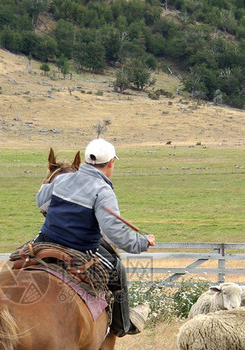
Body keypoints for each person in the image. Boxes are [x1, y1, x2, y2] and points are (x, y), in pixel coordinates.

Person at [35, 138, 155, 336]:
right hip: (80, 249)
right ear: (110, 163)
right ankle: (123, 325)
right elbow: (114, 232)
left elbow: (41, 203)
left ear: (85, 160)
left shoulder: (63, 179)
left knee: (18, 260)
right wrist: (142, 242)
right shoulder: (103, 191)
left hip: (44, 241)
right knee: (118, 271)